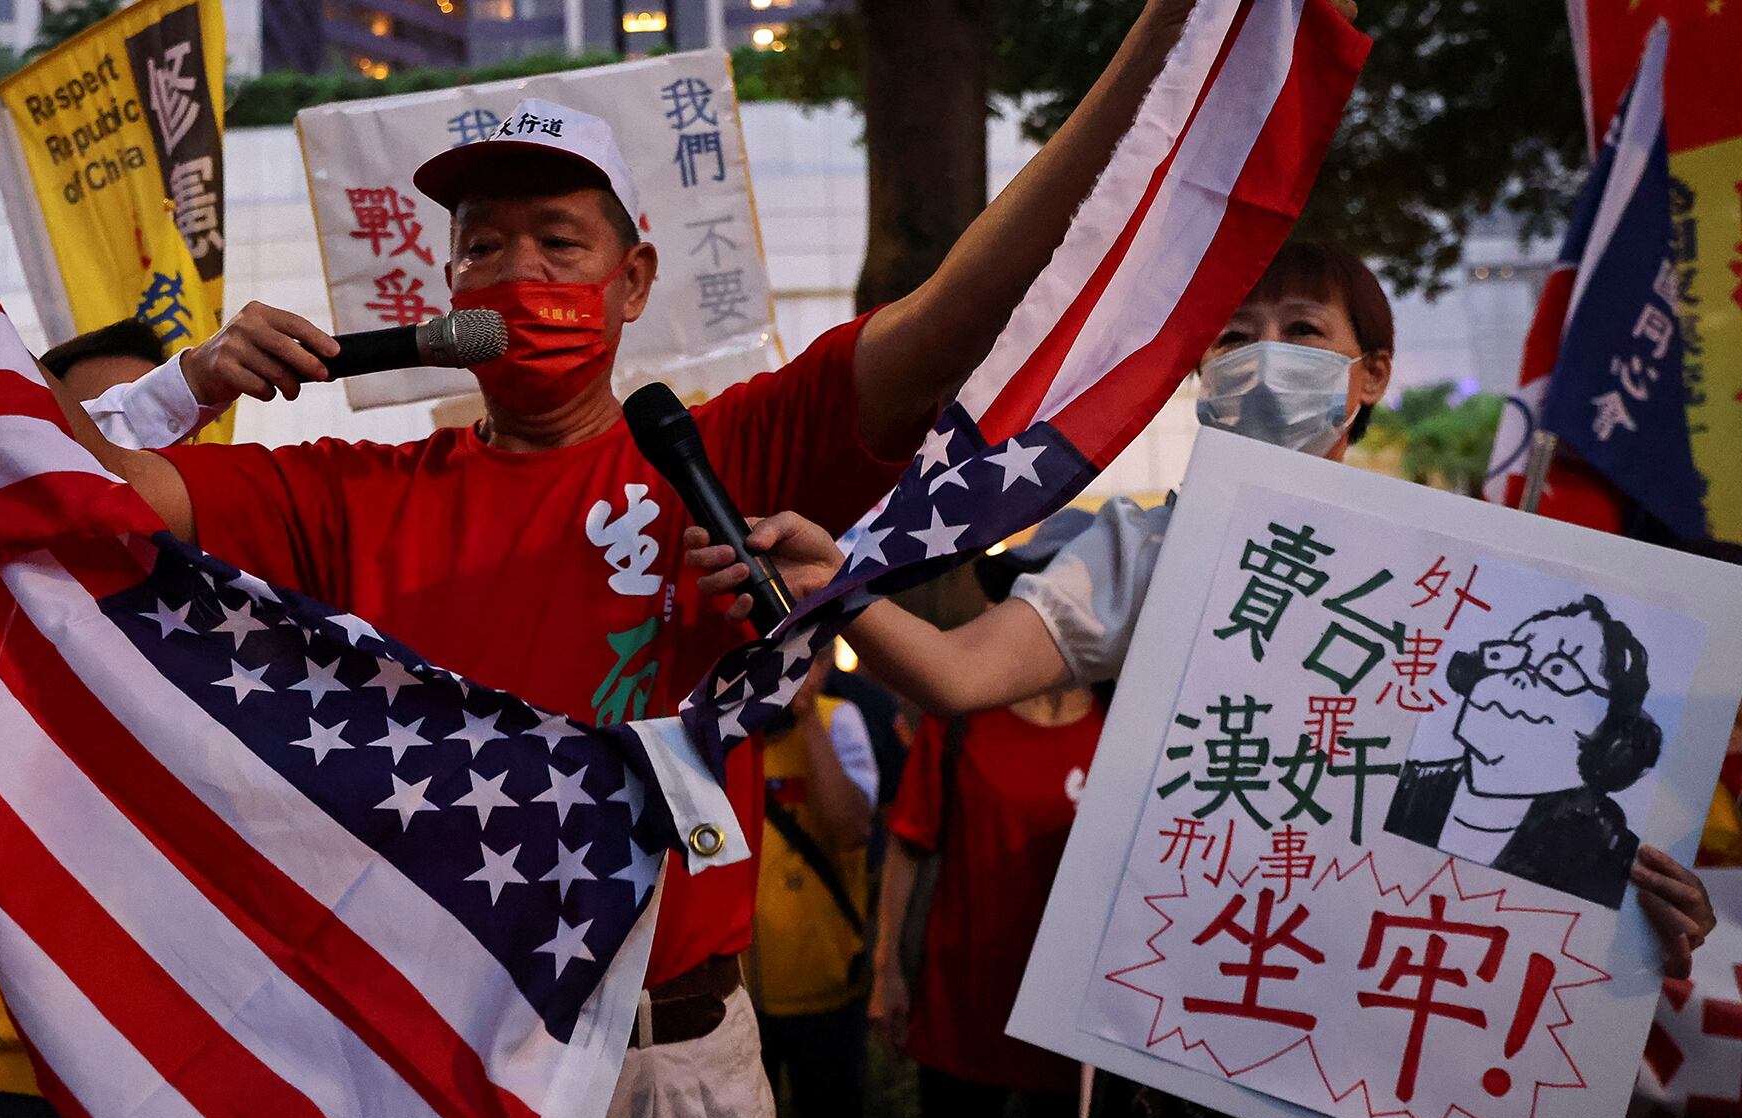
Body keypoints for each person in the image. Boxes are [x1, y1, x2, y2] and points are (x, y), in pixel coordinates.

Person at [0, 2, 1243, 1115]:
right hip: (448, 1061)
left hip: (687, 1057)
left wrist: (1166, 50)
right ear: (442, 285)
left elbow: (959, 307)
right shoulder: (345, 494)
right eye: (484, 247)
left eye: (559, 242)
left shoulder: (729, 449)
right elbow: (47, 493)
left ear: (636, 277)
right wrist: (183, 386)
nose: (521, 279)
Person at [686, 238, 1717, 982]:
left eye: (1301, 331)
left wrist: (1623, 912)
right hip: (1214, 995)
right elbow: (957, 675)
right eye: (1232, 337)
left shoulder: (1484, 588)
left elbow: (1505, 817)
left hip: (1397, 1003)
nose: (1262, 357)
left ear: (1370, 376)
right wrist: (840, 585)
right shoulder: (1150, 545)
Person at [0, 319, 229, 1118]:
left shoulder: (238, 606)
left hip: (189, 1065)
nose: (107, 464)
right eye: (86, 423)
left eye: (144, 436)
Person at [865, 548, 1106, 1118]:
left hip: (1074, 1026)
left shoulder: (1123, 722)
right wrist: (887, 973)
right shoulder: (959, 713)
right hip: (962, 1013)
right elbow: (907, 846)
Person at [1385, 596, 1662, 908]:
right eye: (1511, 655)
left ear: (1612, 732)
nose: (1517, 675)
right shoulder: (1403, 785)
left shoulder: (1610, 855)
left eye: (1558, 670)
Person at [749, 661, 878, 1118]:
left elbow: (853, 827)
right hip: (744, 997)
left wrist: (806, 717)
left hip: (826, 988)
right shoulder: (733, 735)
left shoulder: (836, 719)